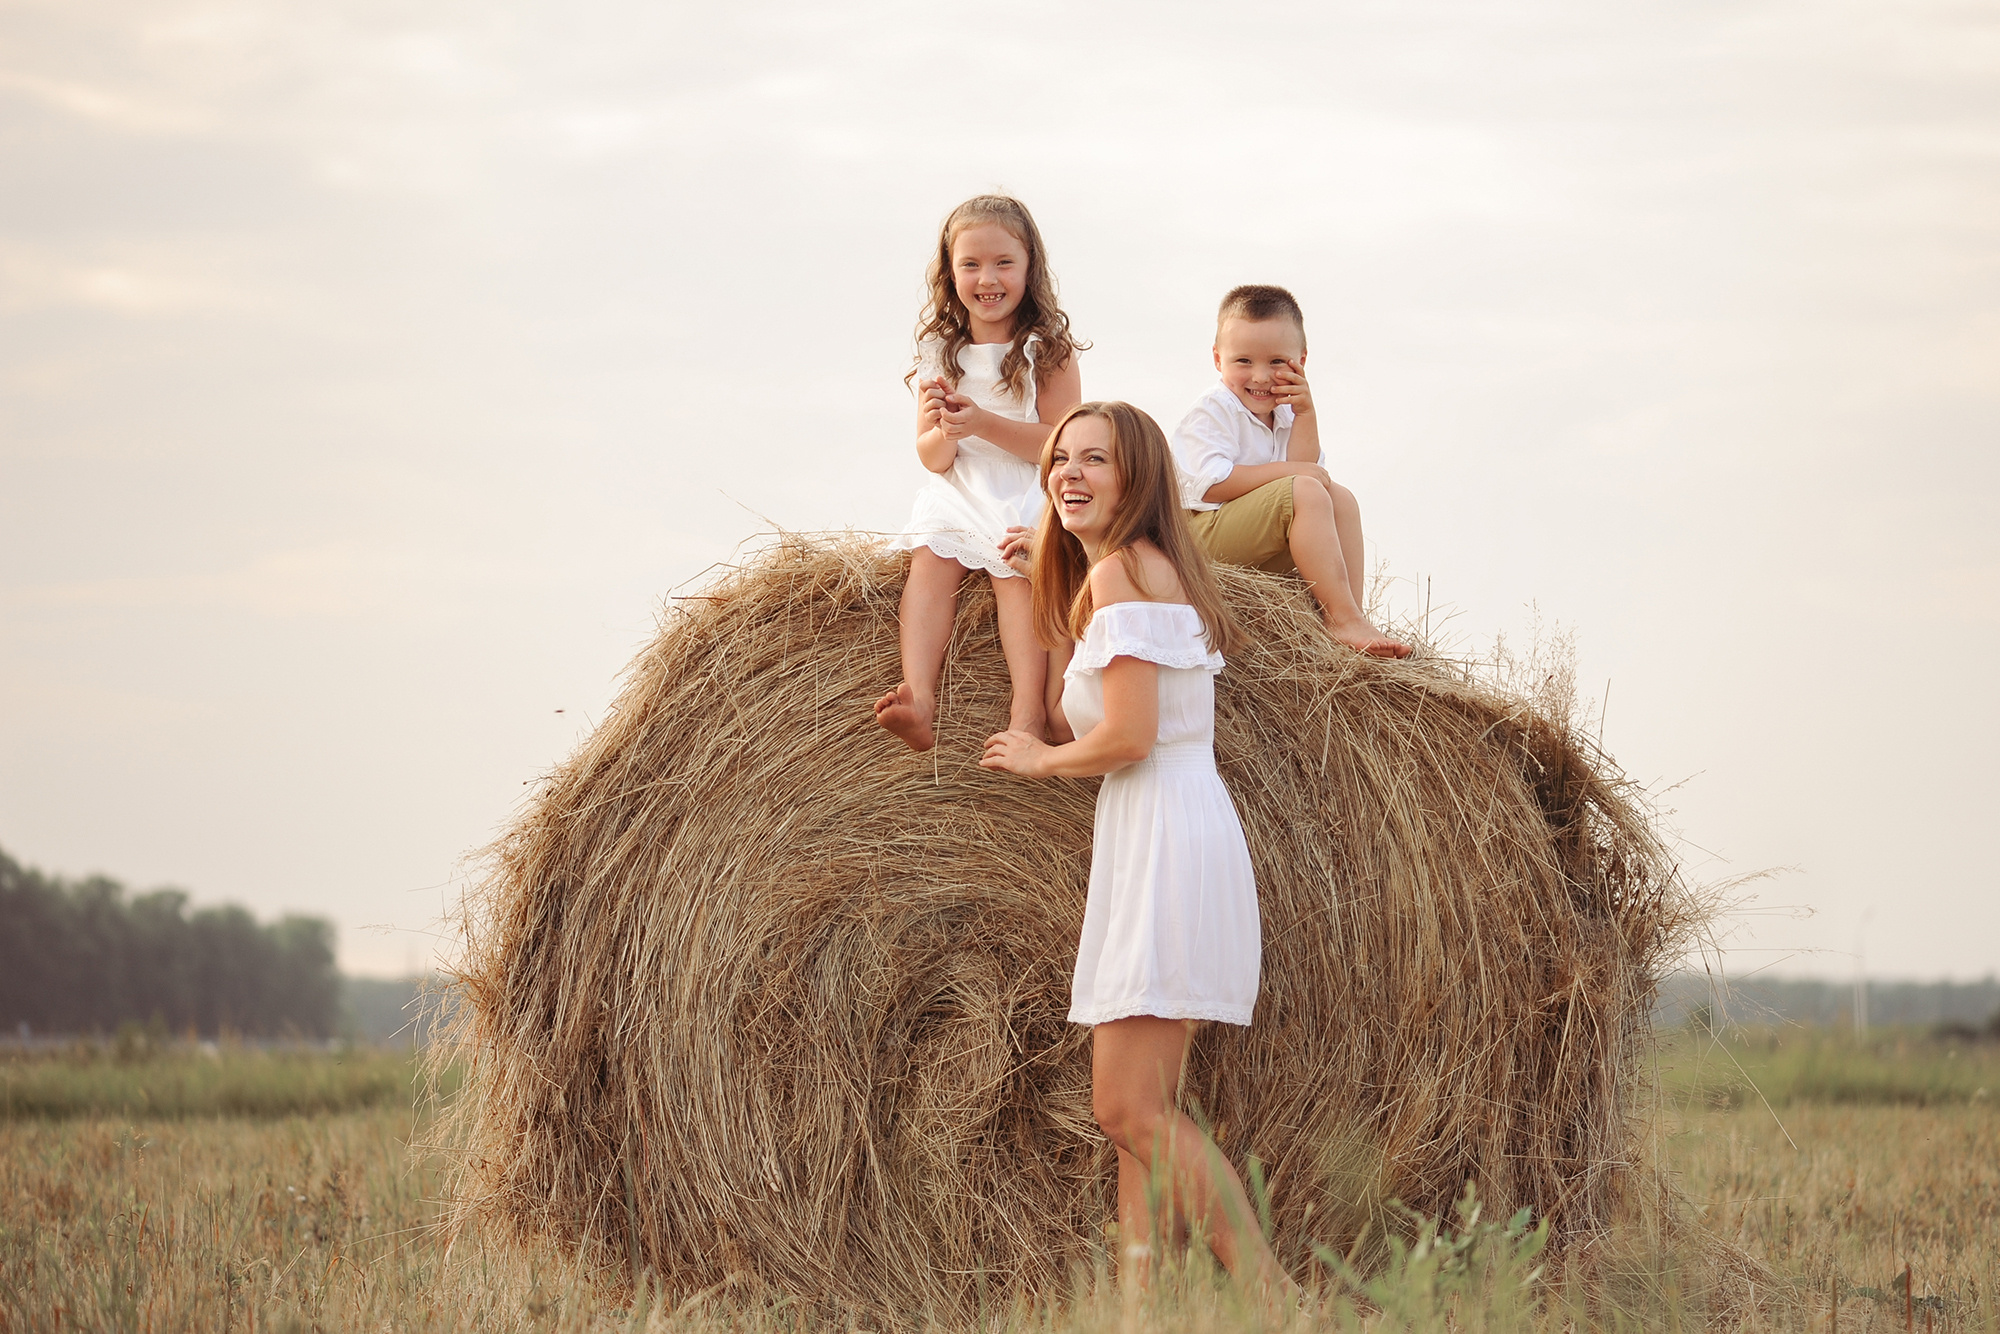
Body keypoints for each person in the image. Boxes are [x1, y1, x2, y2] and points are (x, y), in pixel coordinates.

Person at [980, 401, 1290, 1297]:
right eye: (1059, 461)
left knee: (1124, 1108)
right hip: (1167, 829)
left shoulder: (1121, 576)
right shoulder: (1135, 574)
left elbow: (1128, 737)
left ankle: (1276, 1304)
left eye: (1095, 461)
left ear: (1139, 478)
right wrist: (1043, 562)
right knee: (1139, 1118)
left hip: (1162, 829)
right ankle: (1138, 1307)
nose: (1067, 475)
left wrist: (1040, 760)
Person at [876, 196, 1085, 751]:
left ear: (1029, 268)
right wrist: (946, 431)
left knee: (1012, 569)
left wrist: (984, 423)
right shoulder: (940, 352)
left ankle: (1028, 715)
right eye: (970, 265)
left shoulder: (1048, 352)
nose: (986, 278)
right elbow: (931, 456)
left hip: (1025, 489)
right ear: (949, 272)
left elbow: (1060, 444)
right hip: (958, 487)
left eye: (1002, 263)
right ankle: (919, 696)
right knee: (930, 560)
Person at [1170, 284, 1410, 658]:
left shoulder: (1286, 414)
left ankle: (1352, 617)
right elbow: (1212, 484)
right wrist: (1290, 474)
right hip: (1200, 537)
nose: (1261, 377)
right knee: (1307, 489)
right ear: (1218, 359)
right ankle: (1342, 619)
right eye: (1243, 361)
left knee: (1341, 499)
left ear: (1302, 359)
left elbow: (1309, 478)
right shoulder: (1213, 410)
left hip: (1251, 536)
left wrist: (1305, 415)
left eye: (1277, 362)